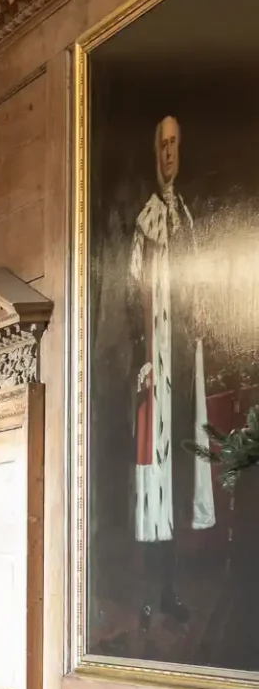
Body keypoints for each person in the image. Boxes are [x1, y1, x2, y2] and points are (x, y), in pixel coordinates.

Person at [128, 114, 214, 631]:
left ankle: (171, 590)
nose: (167, 153)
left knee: (179, 474)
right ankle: (148, 594)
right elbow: (134, 291)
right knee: (151, 477)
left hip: (184, 362)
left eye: (174, 144)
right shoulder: (147, 220)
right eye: (161, 143)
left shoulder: (186, 217)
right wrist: (142, 354)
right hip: (152, 366)